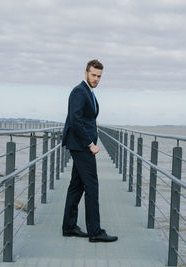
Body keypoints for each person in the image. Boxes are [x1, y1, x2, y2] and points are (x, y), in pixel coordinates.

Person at [61, 59, 118, 243]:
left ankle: (69, 226)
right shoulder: (79, 91)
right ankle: (95, 232)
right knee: (91, 187)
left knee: (76, 186)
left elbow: (84, 117)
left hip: (79, 145)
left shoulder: (88, 92)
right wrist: (90, 143)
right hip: (81, 146)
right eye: (93, 75)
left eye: (99, 76)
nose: (96, 79)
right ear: (85, 73)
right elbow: (75, 120)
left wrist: (93, 123)